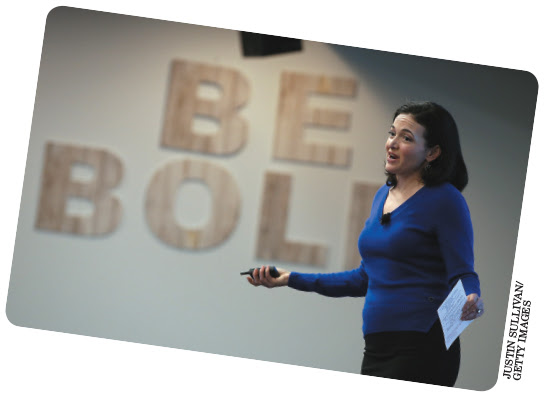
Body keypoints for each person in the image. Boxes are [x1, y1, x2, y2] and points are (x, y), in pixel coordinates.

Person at [246, 101, 484, 387]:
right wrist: (291, 278)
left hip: (422, 345)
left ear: (432, 152)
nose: (392, 144)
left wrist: (472, 296)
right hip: (377, 347)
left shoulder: (446, 200)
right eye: (392, 133)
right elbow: (364, 278)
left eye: (406, 138)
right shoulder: (382, 196)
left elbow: (463, 272)